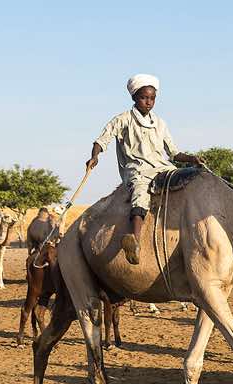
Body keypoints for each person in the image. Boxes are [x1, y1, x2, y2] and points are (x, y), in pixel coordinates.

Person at [85, 74, 201, 265]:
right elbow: (101, 140)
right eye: (144, 97)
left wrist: (192, 159)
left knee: (190, 181)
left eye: (152, 98)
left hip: (162, 167)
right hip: (137, 171)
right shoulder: (123, 120)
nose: (148, 102)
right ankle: (135, 240)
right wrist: (95, 155)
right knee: (141, 192)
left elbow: (173, 152)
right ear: (134, 97)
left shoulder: (160, 123)